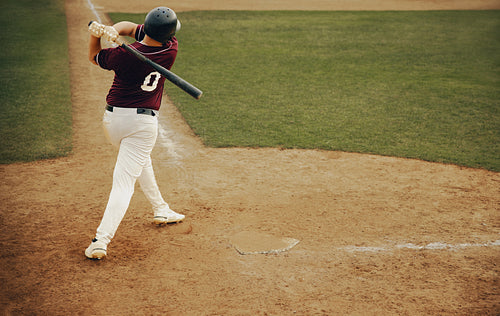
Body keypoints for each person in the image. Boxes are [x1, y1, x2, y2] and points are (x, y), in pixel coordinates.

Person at [85, 7, 185, 260]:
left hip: (113, 121)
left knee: (140, 160)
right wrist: (113, 29)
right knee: (124, 183)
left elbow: (94, 56)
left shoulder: (122, 56)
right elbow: (129, 29)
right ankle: (101, 241)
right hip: (141, 126)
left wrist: (96, 36)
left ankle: (161, 209)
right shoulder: (170, 47)